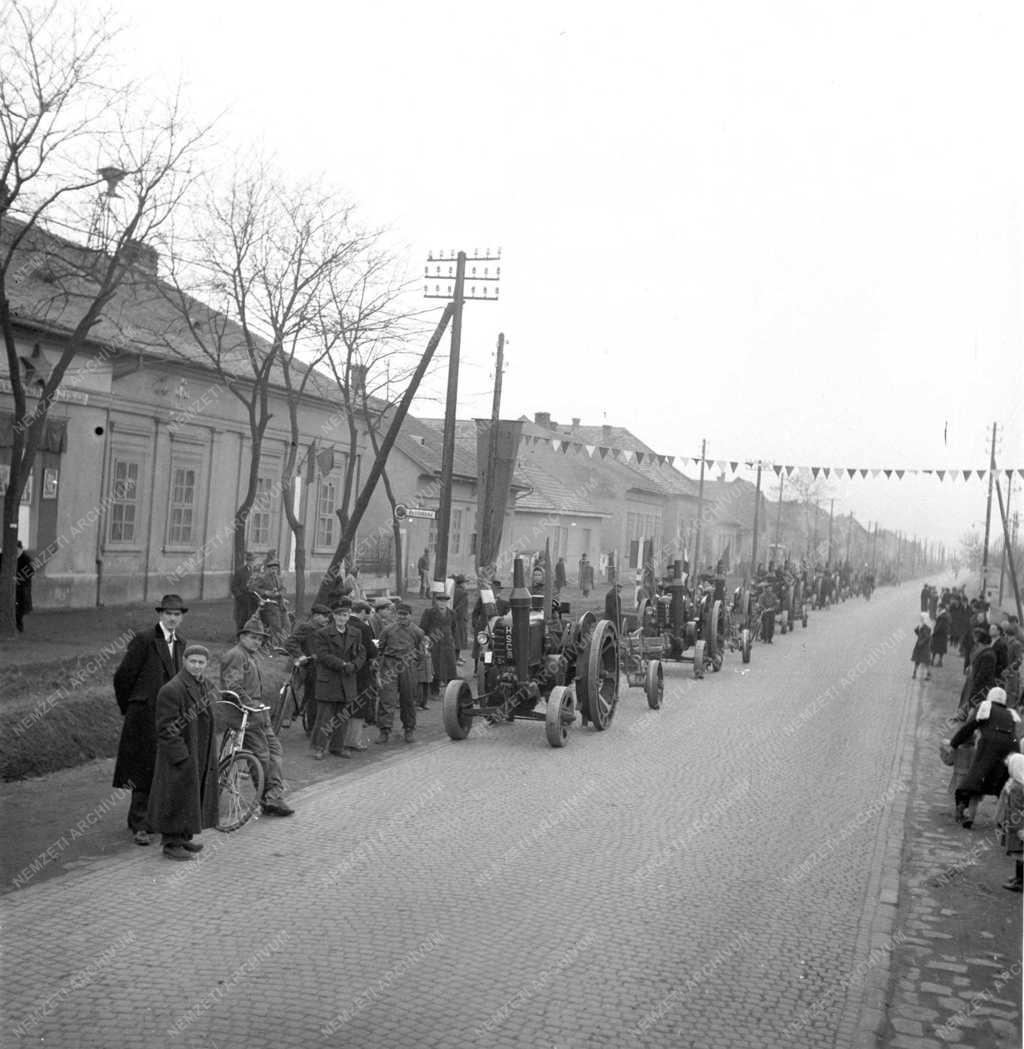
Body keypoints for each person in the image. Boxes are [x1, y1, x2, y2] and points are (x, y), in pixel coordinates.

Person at [112, 594, 188, 846]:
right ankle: (140, 825)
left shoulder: (181, 644)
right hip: (144, 716)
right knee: (142, 769)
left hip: (169, 717)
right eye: (168, 613)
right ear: (160, 614)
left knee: (163, 767)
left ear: (182, 617)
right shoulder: (145, 639)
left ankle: (153, 819)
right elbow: (123, 676)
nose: (172, 618)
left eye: (177, 614)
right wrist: (134, 705)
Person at [147, 644, 220, 861]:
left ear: (206, 664)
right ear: (184, 661)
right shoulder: (172, 689)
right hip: (181, 755)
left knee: (189, 797)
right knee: (176, 797)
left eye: (201, 662)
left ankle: (183, 837)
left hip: (199, 751)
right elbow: (166, 728)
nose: (197, 666)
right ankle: (171, 844)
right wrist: (182, 756)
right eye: (193, 661)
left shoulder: (205, 685)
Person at [220, 616, 294, 816]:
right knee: (261, 755)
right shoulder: (236, 655)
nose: (257, 642)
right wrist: (251, 705)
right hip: (244, 714)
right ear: (242, 637)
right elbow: (232, 686)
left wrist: (259, 707)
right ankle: (269, 798)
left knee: (275, 750)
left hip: (258, 712)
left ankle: (272, 795)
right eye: (253, 637)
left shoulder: (250, 656)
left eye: (260, 639)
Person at [947, 687, 1022, 829]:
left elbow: (969, 727)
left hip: (989, 745)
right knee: (1002, 783)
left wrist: (954, 743)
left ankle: (966, 813)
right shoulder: (1010, 713)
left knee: (975, 779)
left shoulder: (985, 706)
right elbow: (1014, 735)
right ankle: (1004, 820)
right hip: (1011, 749)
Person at [312, 599, 366, 759]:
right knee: (324, 717)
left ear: (349, 616)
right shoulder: (322, 633)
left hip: (347, 679)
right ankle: (319, 747)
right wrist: (342, 664)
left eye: (346, 615)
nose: (342, 618)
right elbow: (322, 655)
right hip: (329, 680)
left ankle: (337, 747)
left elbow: (361, 653)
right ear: (333, 616)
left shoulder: (356, 633)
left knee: (343, 716)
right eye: (339, 615)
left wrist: (355, 665)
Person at [377, 602, 427, 744]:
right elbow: (380, 649)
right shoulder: (387, 630)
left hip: (408, 666)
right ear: (396, 615)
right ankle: (384, 730)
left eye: (405, 615)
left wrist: (414, 665)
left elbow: (421, 653)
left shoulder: (417, 632)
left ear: (410, 616)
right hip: (390, 666)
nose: (402, 617)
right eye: (399, 614)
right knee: (387, 699)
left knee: (408, 699)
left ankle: (409, 729)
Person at [283, 603, 333, 729]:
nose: (327, 619)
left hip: (321, 667)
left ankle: (311, 722)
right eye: (324, 616)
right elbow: (290, 642)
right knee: (304, 694)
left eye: (328, 617)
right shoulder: (307, 627)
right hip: (308, 666)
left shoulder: (327, 629)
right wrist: (300, 655)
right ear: (315, 616)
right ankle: (292, 718)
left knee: (315, 697)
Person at [346, 601, 377, 754]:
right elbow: (370, 651)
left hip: (342, 670)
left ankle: (337, 739)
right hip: (360, 671)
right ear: (363, 612)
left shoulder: (339, 624)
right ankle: (354, 741)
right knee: (359, 704)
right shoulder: (363, 628)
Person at [420, 583, 457, 698]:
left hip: (447, 645)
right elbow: (422, 628)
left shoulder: (452, 613)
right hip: (434, 645)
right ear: (436, 601)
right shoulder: (429, 612)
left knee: (450, 668)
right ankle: (434, 691)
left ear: (447, 602)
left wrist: (452, 640)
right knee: (434, 668)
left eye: (445, 601)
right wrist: (425, 639)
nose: (442, 603)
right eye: (440, 601)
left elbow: (453, 628)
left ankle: (451, 693)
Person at [995, 753, 1024, 891]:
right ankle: (1019, 877)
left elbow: (1016, 809)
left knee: (1020, 854)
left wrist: (1018, 829)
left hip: (1017, 826)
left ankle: (1020, 881)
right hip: (1017, 823)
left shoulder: (1017, 787)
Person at [251, 555, 286, 636]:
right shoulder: (263, 578)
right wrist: (265, 592)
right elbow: (253, 588)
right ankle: (275, 641)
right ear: (268, 569)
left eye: (276, 569)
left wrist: (279, 593)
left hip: (280, 605)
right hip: (269, 605)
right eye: (272, 569)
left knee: (286, 625)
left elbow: (284, 589)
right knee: (276, 626)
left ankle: (281, 639)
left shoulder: (279, 578)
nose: (274, 571)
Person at [230, 551, 258, 632]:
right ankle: (239, 634)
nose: (251, 562)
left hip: (253, 599)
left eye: (253, 560)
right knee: (241, 618)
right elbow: (234, 586)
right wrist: (240, 596)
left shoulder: (256, 572)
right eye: (250, 560)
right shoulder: (240, 571)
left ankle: (249, 633)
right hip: (242, 599)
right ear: (247, 561)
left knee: (252, 618)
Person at [15, 540, 33, 632]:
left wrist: (18, 578)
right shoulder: (5, 557)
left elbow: (30, 572)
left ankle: (19, 626)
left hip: (22, 588)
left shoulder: (26, 559)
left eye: (17, 549)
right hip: (14, 587)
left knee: (20, 608)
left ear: (20, 549)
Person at [452, 575, 469, 662]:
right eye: (465, 582)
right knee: (458, 639)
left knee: (457, 638)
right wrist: (464, 618)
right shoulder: (463, 593)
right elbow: (461, 608)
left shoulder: (454, 591)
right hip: (460, 619)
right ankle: (456, 658)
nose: (466, 584)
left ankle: (457, 656)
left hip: (455, 617)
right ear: (462, 583)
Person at [911, 612, 932, 681]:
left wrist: (921, 643)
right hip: (920, 645)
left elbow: (927, 637)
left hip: (924, 647)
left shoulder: (926, 627)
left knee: (925, 661)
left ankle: (928, 674)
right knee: (918, 660)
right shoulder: (922, 626)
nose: (921, 619)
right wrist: (917, 630)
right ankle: (915, 672)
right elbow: (919, 634)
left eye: (922, 618)